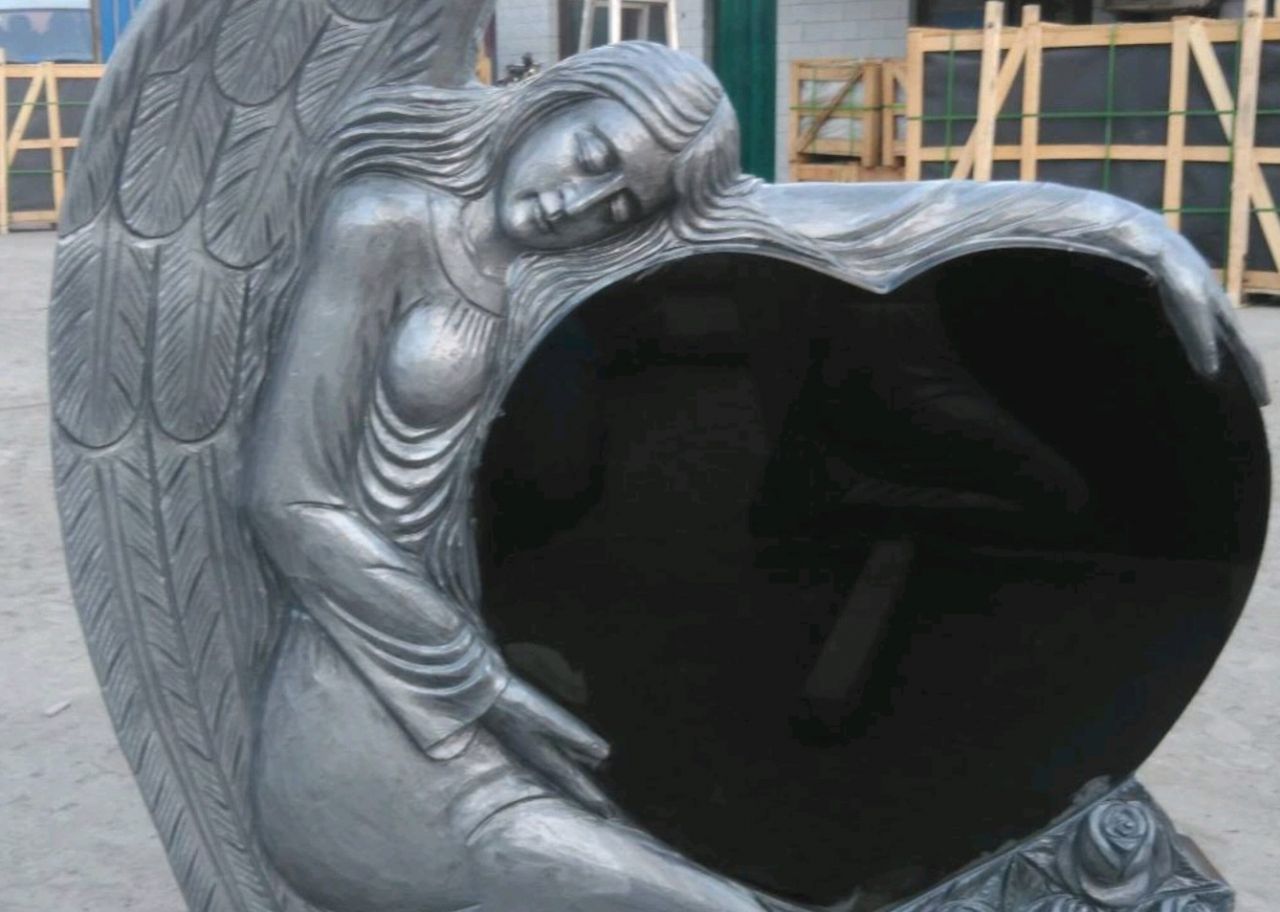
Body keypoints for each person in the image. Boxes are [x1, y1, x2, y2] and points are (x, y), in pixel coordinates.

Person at [246, 42, 821, 912]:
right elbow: (286, 496)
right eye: (592, 155)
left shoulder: (546, 281)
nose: (578, 203)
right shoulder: (385, 224)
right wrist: (477, 678)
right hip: (364, 698)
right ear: (557, 102)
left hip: (472, 676)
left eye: (619, 204)